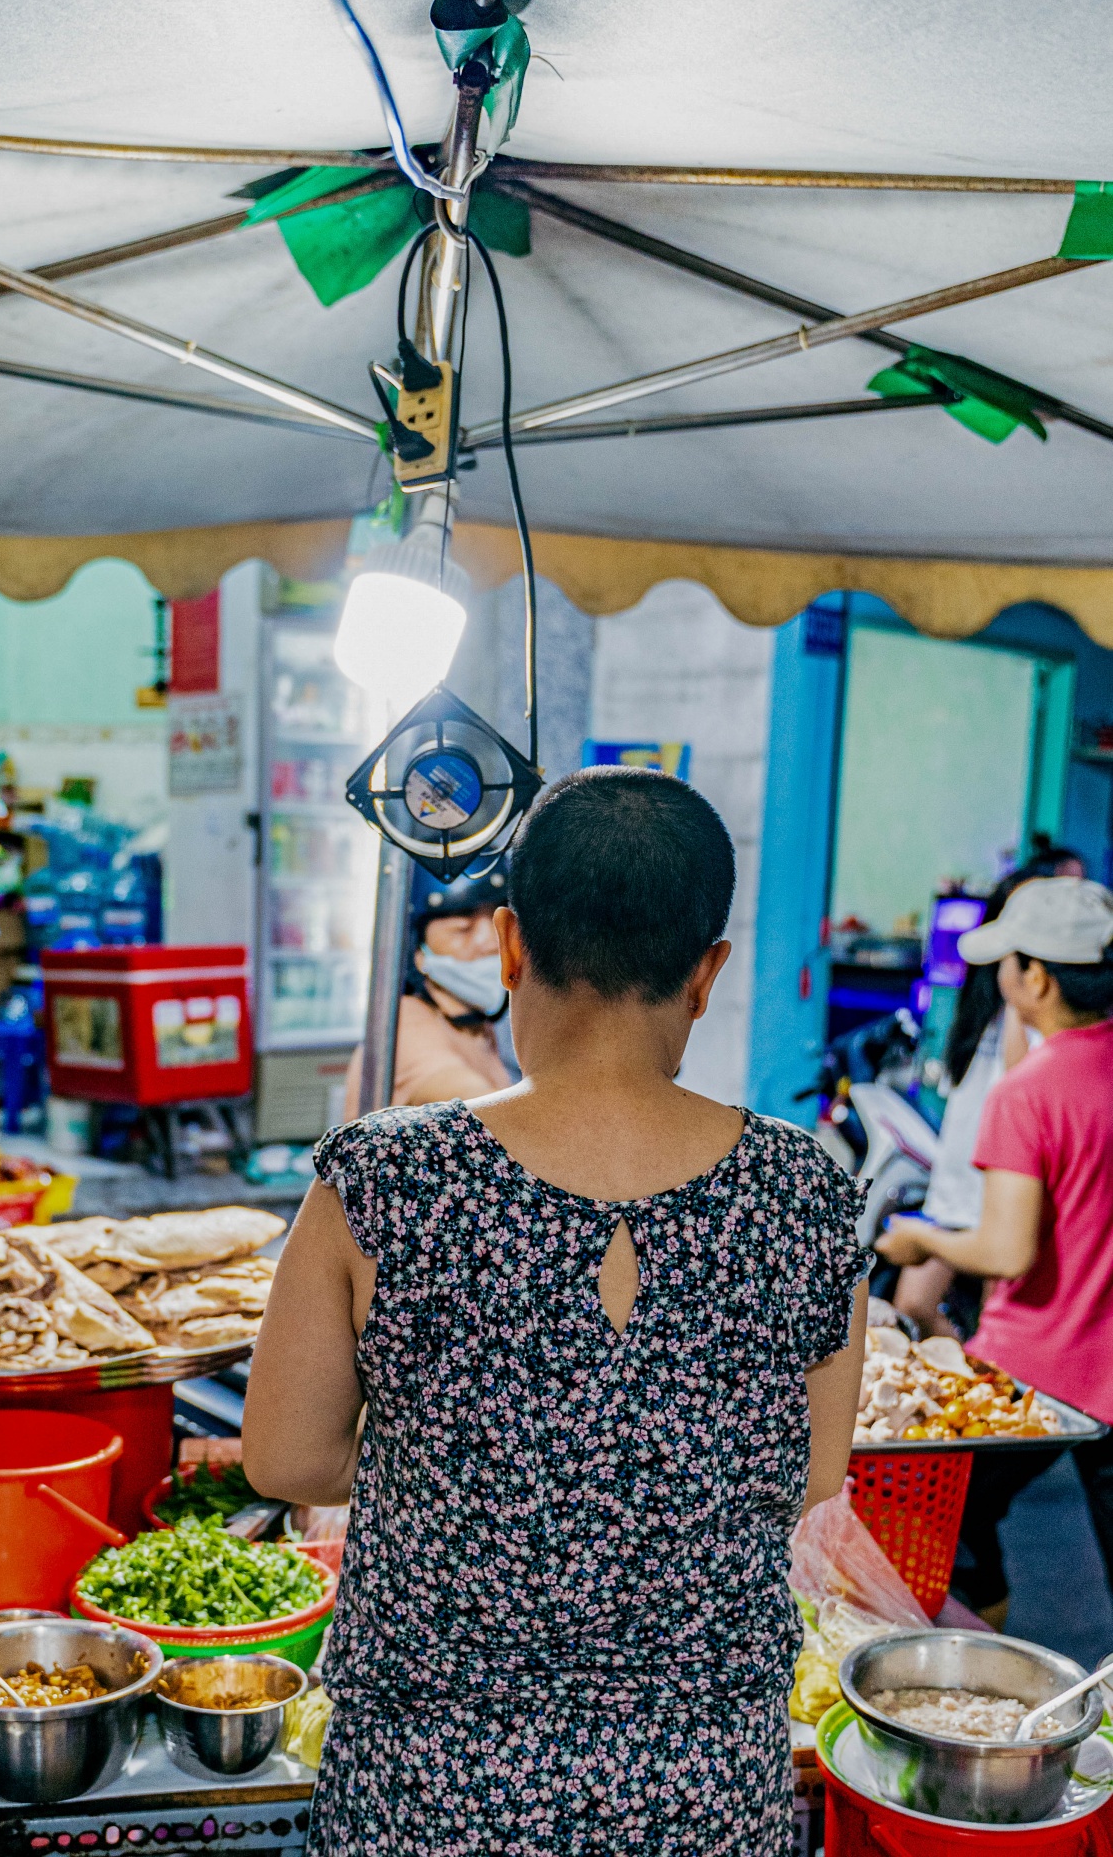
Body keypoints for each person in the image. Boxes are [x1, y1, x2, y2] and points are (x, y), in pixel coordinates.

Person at [245, 768, 871, 1855]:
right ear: (707, 972)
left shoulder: (386, 1176)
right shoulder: (805, 1190)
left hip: (431, 1798)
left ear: (509, 945)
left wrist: (453, 1459)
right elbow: (811, 1472)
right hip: (702, 1798)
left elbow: (285, 1458)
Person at [877, 875, 1113, 1627]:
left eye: (1010, 961)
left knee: (944, 1523)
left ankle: (972, 1670)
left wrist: (917, 1238)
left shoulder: (1029, 1091)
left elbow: (1007, 1250)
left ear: (1035, 978)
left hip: (1042, 1366)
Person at [893, 868, 1040, 1338]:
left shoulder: (1032, 1009)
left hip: (1001, 1191)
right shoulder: (978, 1000)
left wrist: (1018, 990)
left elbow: (1020, 1079)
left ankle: (980, 1379)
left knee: (996, 1322)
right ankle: (964, 1371)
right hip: (955, 1184)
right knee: (912, 1304)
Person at [342, 870, 511, 1116]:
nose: (493, 944)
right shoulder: (404, 1023)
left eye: (500, 927)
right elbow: (479, 1101)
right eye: (463, 929)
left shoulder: (475, 1026)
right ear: (418, 951)